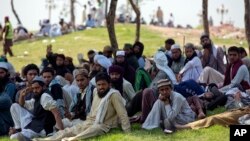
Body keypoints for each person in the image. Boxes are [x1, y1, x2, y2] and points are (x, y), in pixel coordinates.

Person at [34, 72, 130, 141]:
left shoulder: (113, 95)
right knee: (68, 130)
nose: (101, 87)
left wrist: (127, 132)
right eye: (99, 84)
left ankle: (73, 139)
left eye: (104, 84)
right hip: (90, 121)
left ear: (109, 84)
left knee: (93, 130)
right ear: (96, 85)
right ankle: (47, 139)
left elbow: (123, 114)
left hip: (104, 125)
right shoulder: (96, 91)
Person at [9, 76, 64, 140]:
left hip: (42, 129)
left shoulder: (45, 96)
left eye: (37, 88)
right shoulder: (37, 96)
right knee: (14, 106)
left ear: (43, 87)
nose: (35, 90)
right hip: (34, 123)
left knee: (13, 137)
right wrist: (22, 95)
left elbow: (56, 113)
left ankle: (20, 133)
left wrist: (61, 131)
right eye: (33, 88)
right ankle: (18, 130)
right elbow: (22, 104)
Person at [175, 106, 250, 130]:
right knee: (221, 115)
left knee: (214, 119)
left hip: (244, 115)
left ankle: (184, 127)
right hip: (244, 110)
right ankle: (186, 124)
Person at [0, 62, 14, 135]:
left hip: (5, 125)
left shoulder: (10, 85)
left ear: (7, 73)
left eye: (2, 72)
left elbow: (8, 100)